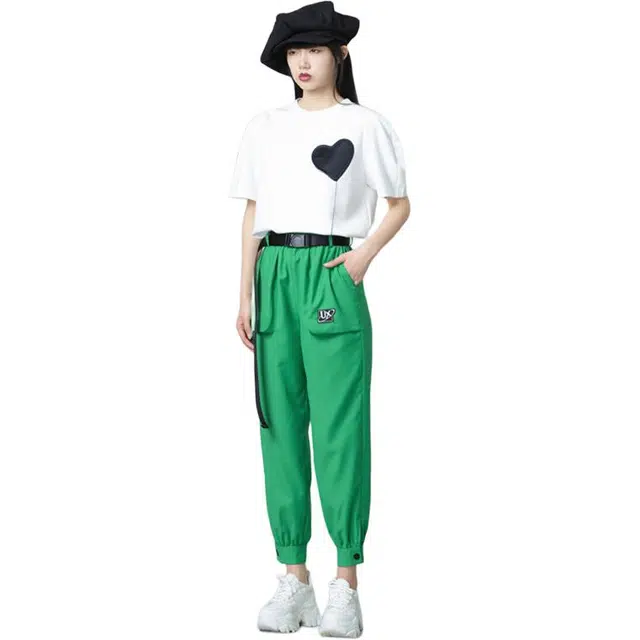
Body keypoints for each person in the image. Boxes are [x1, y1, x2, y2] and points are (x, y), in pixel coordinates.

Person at [229, 2, 410, 636]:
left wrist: (361, 257)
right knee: (278, 423)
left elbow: (399, 203)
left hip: (331, 271)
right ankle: (293, 578)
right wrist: (244, 293)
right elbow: (253, 212)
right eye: (293, 52)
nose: (302, 62)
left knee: (339, 426)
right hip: (273, 273)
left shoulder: (365, 125)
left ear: (340, 55)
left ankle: (346, 582)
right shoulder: (264, 127)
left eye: (313, 50)